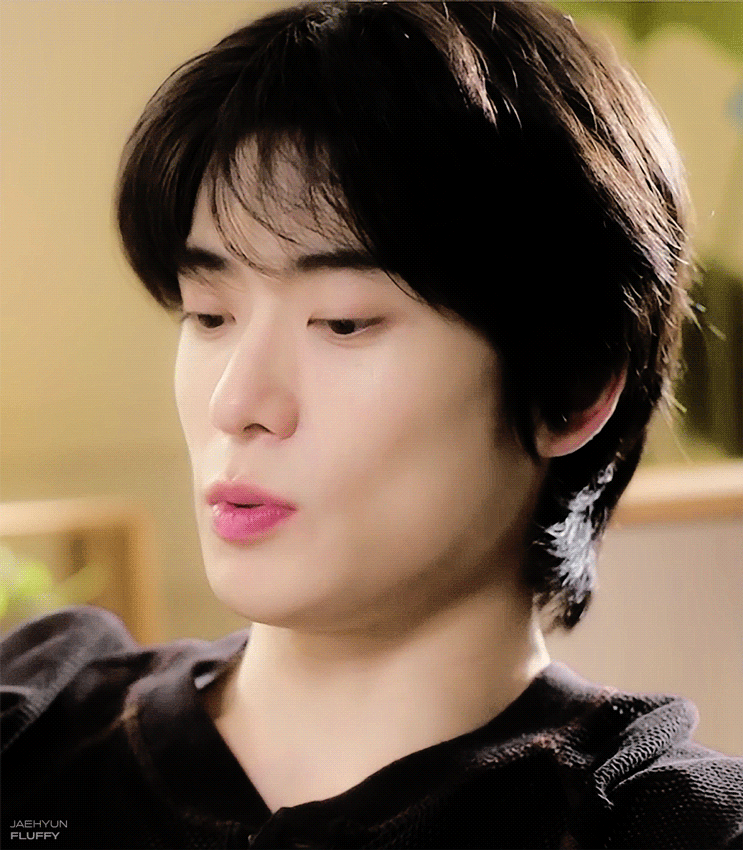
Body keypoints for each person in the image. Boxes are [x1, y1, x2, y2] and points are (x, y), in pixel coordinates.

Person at [2, 1, 742, 847]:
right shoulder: (34, 734)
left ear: (571, 389)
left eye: (343, 322)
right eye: (209, 315)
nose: (236, 403)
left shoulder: (664, 828)